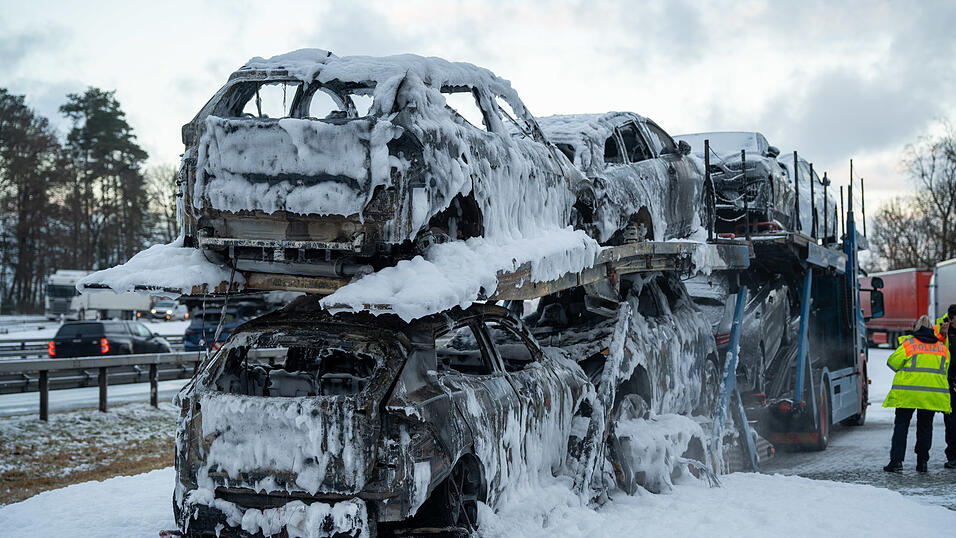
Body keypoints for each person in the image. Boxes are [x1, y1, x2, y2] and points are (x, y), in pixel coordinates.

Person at [883, 315, 952, 472]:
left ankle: (896, 462)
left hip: (907, 394)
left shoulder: (909, 345)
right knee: (925, 427)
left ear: (915, 328)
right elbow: (944, 371)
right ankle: (922, 462)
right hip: (930, 395)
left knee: (901, 426)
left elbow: (892, 363)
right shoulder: (942, 349)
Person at [936, 304, 956, 469]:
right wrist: (942, 335)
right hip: (948, 382)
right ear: (950, 318)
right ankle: (953, 456)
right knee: (951, 421)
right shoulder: (940, 330)